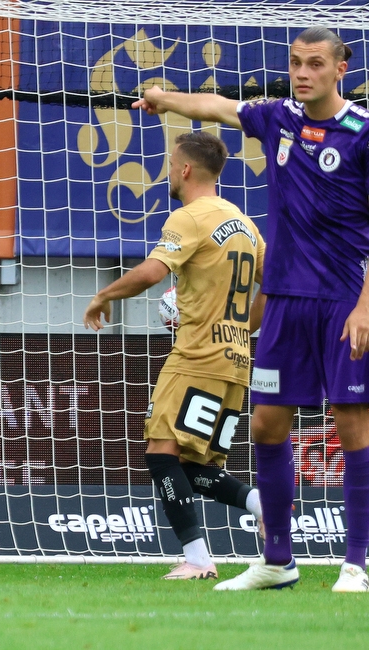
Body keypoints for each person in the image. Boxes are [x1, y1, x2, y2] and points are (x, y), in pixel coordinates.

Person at [134, 27, 369, 592]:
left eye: (315, 63)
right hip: (284, 301)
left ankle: (357, 563)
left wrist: (365, 306)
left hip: (343, 302)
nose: (302, 72)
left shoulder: (362, 134)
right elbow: (215, 106)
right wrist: (165, 100)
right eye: (295, 63)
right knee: (266, 426)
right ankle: (277, 561)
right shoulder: (280, 118)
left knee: (353, 428)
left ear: (341, 68)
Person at [84, 131, 267, 580]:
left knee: (160, 454)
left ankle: (199, 559)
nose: (168, 171)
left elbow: (152, 271)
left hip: (195, 358)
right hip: (236, 362)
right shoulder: (245, 224)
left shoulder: (188, 217)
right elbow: (277, 287)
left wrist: (104, 295)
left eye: (170, 164)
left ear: (185, 169)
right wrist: (242, 329)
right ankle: (262, 503)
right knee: (191, 464)